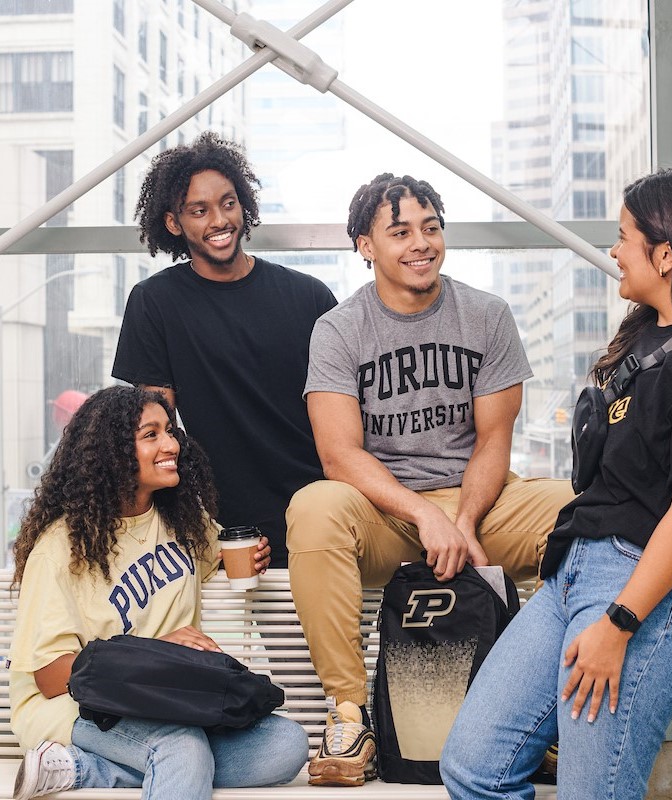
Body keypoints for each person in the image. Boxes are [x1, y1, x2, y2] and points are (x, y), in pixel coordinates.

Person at [441, 168, 672, 800]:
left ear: (667, 253)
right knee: (474, 766)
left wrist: (619, 622)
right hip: (576, 575)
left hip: (649, 592)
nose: (614, 250)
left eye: (625, 236)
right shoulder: (649, 337)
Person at [286, 173, 574, 787]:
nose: (420, 243)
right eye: (400, 232)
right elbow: (339, 455)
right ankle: (349, 714)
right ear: (366, 245)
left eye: (431, 227)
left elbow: (493, 441)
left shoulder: (486, 315)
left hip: (478, 506)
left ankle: (540, 716)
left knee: (574, 510)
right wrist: (423, 515)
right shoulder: (338, 329)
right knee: (314, 507)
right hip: (386, 513)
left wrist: (462, 520)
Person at [9, 386, 308, 800]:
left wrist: (246, 556)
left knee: (284, 744)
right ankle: (148, 762)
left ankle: (84, 769)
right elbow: (49, 677)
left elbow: (218, 554)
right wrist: (158, 650)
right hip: (74, 705)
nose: (171, 445)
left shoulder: (182, 521)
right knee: (181, 747)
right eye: (151, 435)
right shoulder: (60, 550)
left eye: (170, 431)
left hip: (167, 698)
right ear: (111, 453)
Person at [112, 132, 337, 568]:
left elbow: (346, 420)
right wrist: (187, 527)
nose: (219, 220)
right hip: (221, 526)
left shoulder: (309, 297)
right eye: (199, 210)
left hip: (320, 511)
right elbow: (156, 426)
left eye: (228, 203)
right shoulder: (155, 303)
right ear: (174, 223)